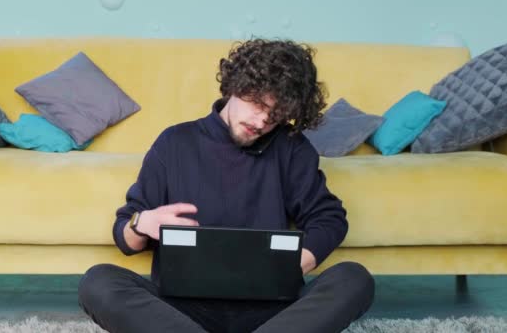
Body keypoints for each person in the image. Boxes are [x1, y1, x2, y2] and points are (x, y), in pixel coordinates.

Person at [78, 38, 375, 333]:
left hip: (273, 312)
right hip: (182, 311)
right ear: (236, 84)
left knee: (354, 279)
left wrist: (291, 267)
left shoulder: (292, 149)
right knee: (98, 282)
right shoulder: (174, 142)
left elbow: (330, 219)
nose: (261, 121)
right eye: (258, 104)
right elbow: (124, 237)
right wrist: (142, 222)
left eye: (276, 115)